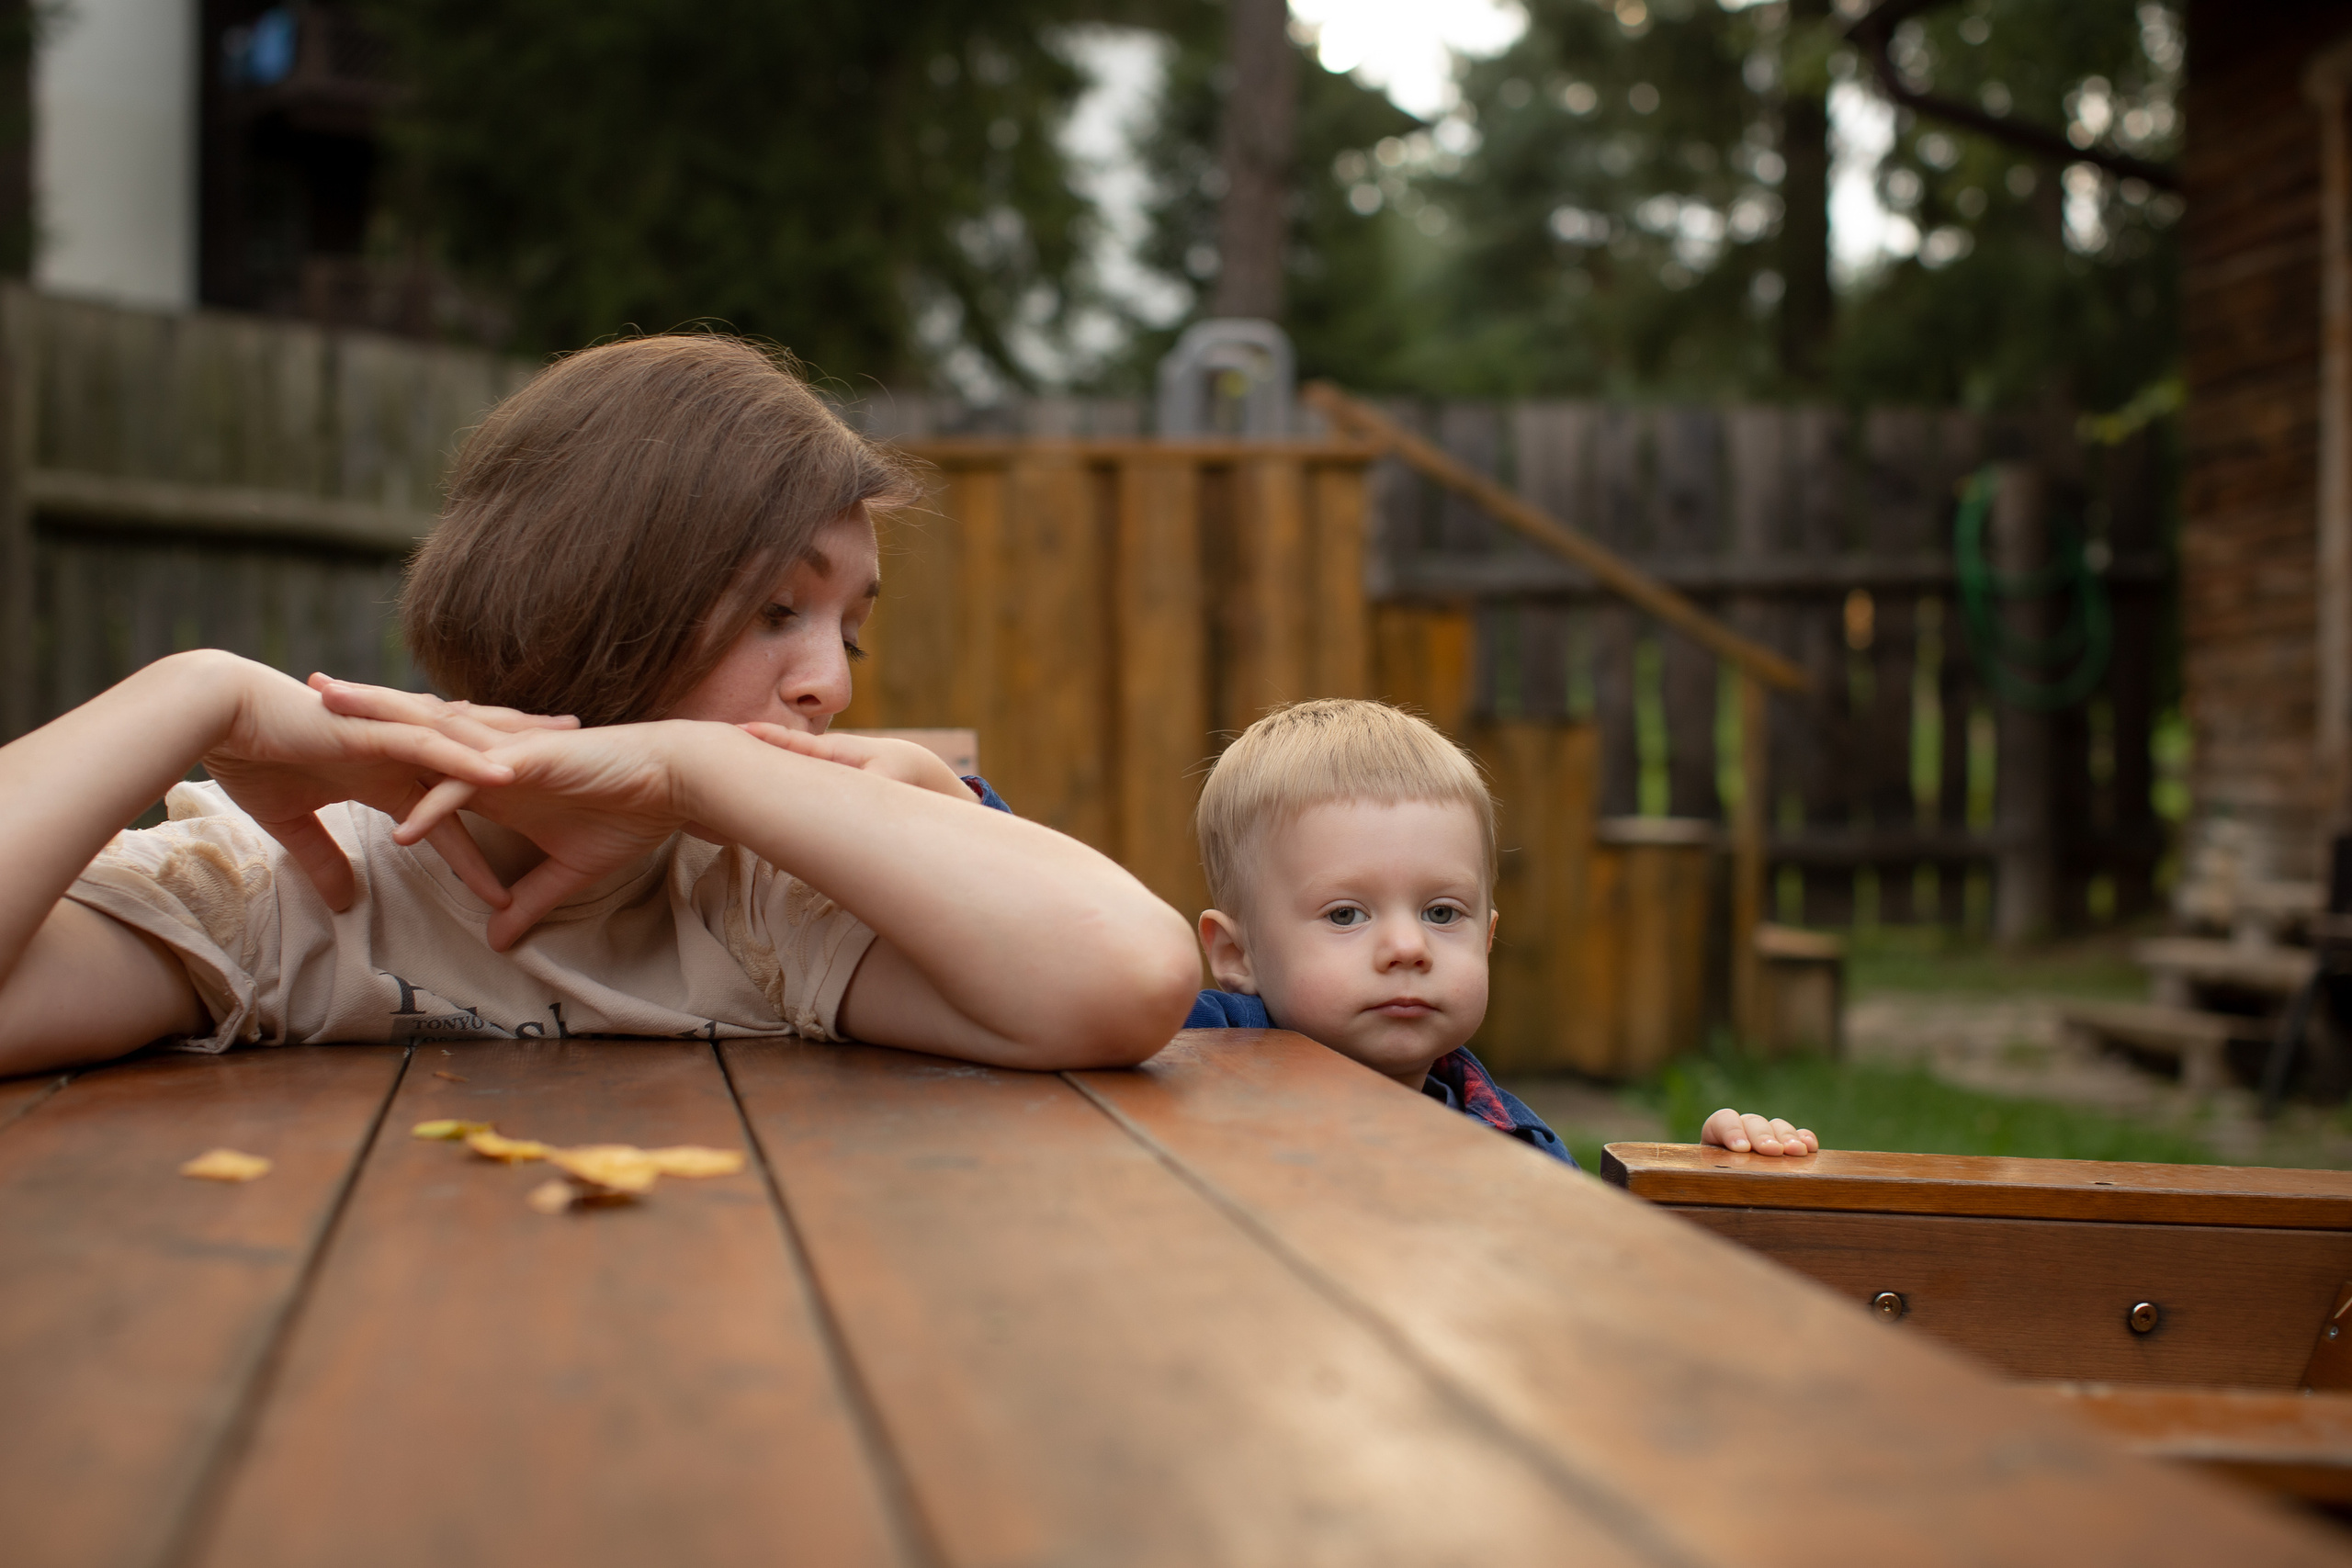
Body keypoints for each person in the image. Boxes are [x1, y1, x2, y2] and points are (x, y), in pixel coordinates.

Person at [0, 335, 1201, 1077]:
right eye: (776, 611)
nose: (831, 680)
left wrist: (695, 771)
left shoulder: (762, 901)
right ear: (595, 600)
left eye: (852, 632)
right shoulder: (288, 894)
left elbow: (1130, 977)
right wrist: (198, 693)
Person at [1183, 700, 1822, 1169]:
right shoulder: (1189, 1056)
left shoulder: (1514, 1147)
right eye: (1346, 914)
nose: (1409, 947)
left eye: (1441, 913)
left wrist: (1711, 1179)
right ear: (1237, 955)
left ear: (1487, 939)